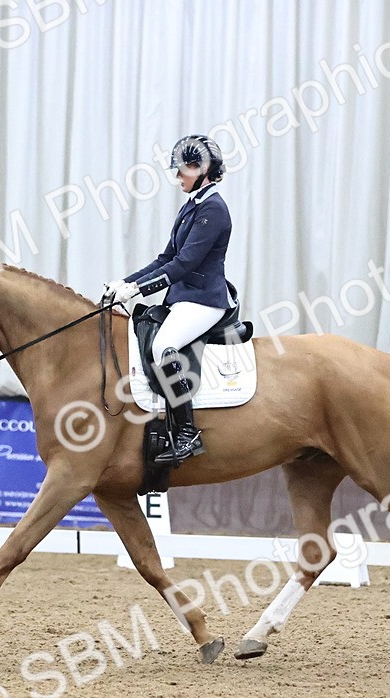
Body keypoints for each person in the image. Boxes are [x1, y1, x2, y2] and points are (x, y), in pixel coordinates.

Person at [106, 134, 234, 463]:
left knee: (165, 347)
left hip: (205, 300)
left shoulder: (213, 211)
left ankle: (187, 433)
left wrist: (139, 291)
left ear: (202, 170)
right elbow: (165, 258)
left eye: (183, 171)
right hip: (183, 298)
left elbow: (185, 264)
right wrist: (127, 281)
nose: (178, 177)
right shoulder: (191, 207)